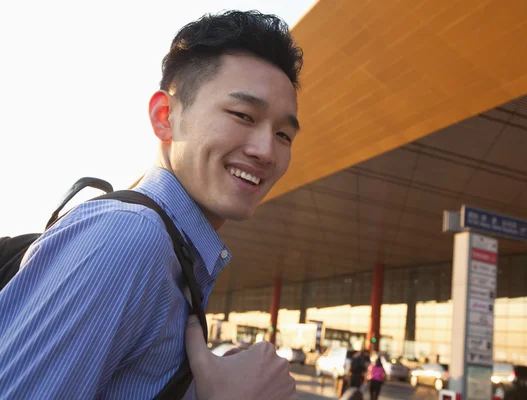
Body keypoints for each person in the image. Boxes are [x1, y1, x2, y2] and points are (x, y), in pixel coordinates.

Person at [0, 10, 302, 399]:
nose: (266, 151)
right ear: (165, 117)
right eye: (242, 115)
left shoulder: (177, 256)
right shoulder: (130, 237)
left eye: (283, 134)